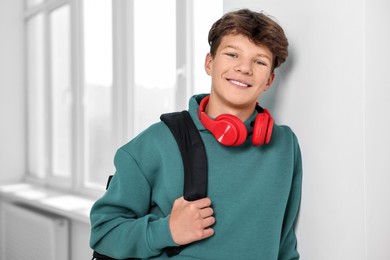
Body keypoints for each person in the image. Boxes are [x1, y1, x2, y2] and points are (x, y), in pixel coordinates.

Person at [90, 8, 302, 260]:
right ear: (209, 63)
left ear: (269, 80)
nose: (244, 68)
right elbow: (104, 233)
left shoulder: (284, 146)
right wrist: (166, 231)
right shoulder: (156, 142)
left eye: (259, 61)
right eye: (232, 54)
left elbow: (285, 245)